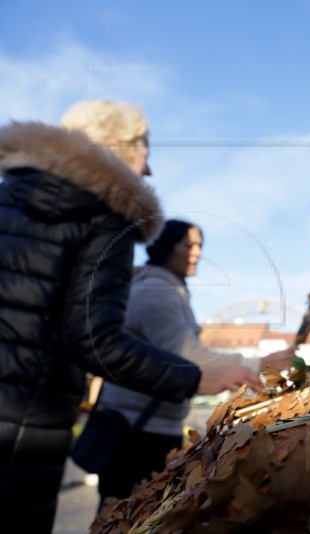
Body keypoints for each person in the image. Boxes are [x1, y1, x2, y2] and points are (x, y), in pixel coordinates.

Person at [0, 100, 260, 532]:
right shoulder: (104, 216)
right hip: (24, 429)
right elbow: (94, 338)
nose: (149, 171)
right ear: (115, 149)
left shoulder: (7, 197)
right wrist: (199, 378)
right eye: (145, 152)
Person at [96, 219, 294, 502]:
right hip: (138, 433)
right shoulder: (157, 293)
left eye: (200, 245)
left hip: (145, 425)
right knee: (128, 513)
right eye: (188, 244)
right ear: (165, 246)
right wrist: (257, 363)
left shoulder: (163, 289)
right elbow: (186, 356)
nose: (197, 252)